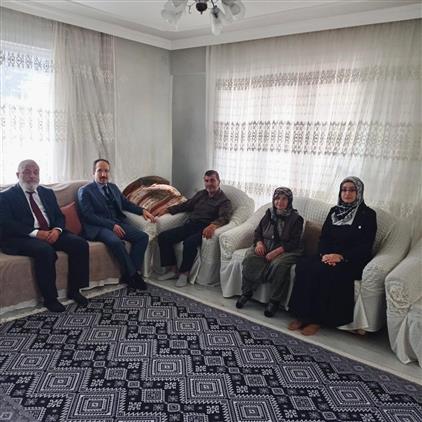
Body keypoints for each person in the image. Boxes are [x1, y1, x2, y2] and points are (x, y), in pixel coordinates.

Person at [288, 176, 377, 336]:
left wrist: (341, 257)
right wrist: (325, 254)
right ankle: (301, 315)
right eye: (344, 190)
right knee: (304, 266)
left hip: (351, 259)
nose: (347, 193)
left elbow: (365, 246)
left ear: (359, 192)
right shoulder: (334, 211)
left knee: (324, 272)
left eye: (352, 190)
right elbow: (324, 237)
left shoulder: (368, 215)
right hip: (327, 255)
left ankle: (316, 320)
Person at [0, 160, 89, 312]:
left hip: (50, 231)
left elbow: (59, 216)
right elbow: (7, 223)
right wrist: (36, 233)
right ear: (17, 174)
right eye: (27, 172)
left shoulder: (47, 192)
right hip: (22, 237)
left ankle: (75, 290)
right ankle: (50, 299)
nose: (32, 176)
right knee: (45, 251)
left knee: (80, 244)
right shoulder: (6, 196)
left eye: (35, 172)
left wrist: (57, 230)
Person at [77, 159, 155, 290]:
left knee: (143, 237)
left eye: (106, 171)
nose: (103, 174)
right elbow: (88, 215)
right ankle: (134, 276)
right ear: (93, 173)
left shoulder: (113, 187)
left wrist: (142, 211)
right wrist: (111, 226)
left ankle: (129, 274)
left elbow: (126, 203)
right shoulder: (85, 191)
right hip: (98, 227)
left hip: (117, 222)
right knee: (116, 242)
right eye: (99, 171)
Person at [156, 170, 232, 287]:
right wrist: (168, 210)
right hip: (190, 225)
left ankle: (184, 274)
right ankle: (173, 270)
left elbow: (225, 217)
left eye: (212, 180)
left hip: (204, 228)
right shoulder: (201, 194)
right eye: (206, 181)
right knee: (163, 237)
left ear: (218, 181)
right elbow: (186, 205)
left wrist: (213, 225)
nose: (209, 184)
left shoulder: (224, 201)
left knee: (189, 243)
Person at [236, 187, 304, 317]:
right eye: (277, 198)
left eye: (284, 199)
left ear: (289, 201)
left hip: (287, 249)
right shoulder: (269, 213)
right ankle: (247, 292)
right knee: (250, 258)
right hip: (266, 244)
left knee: (279, 265)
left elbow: (294, 242)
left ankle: (274, 301)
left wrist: (276, 252)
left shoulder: (296, 219)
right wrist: (259, 243)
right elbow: (258, 232)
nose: (280, 202)